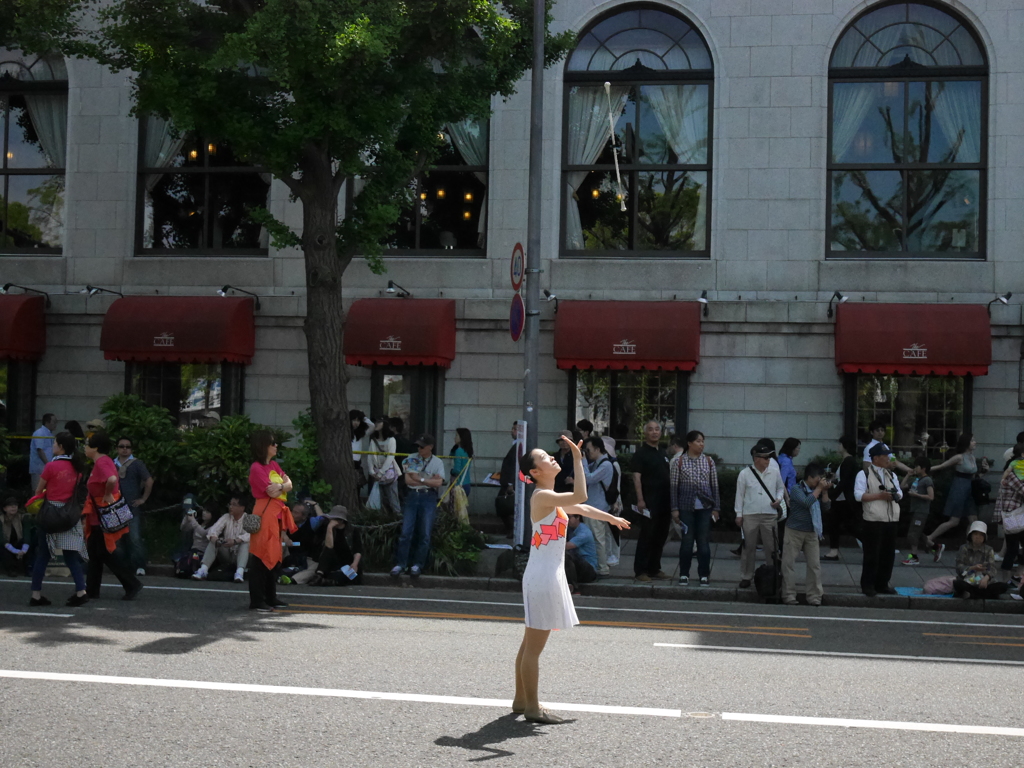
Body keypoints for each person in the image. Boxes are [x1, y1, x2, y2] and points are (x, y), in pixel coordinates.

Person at [513, 436, 630, 724]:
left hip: (544, 576)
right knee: (534, 647)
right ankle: (532, 707)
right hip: (543, 578)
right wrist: (578, 459)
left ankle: (520, 700)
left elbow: (582, 508)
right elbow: (581, 496)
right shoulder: (542, 496)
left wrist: (610, 518)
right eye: (545, 458)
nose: (552, 458)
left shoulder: (551, 498)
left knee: (529, 643)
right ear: (535, 472)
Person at [30, 432, 89, 607]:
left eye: (55, 443)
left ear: (61, 446)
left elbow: (38, 491)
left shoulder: (51, 467)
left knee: (43, 555)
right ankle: (81, 591)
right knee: (71, 555)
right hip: (70, 514)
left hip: (50, 513)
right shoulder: (77, 468)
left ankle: (36, 595)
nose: (53, 446)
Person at [82, 431, 143, 601]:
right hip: (98, 514)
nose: (85, 448)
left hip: (102, 515)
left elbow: (111, 479)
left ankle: (131, 583)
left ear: (95, 448)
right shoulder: (102, 461)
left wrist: (108, 494)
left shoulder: (102, 462)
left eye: (87, 445)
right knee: (96, 554)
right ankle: (93, 590)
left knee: (103, 553)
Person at [247, 430, 297, 612]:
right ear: (264, 446)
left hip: (275, 513)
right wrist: (283, 487)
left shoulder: (274, 465)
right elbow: (270, 491)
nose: (276, 446)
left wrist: (281, 487)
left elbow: (288, 485)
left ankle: (270, 596)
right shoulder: (256, 468)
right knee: (261, 555)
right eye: (272, 443)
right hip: (265, 512)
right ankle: (257, 600)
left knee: (274, 556)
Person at [670, 430, 720, 587]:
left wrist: (716, 508)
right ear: (689, 443)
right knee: (687, 541)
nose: (701, 444)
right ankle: (684, 574)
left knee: (703, 542)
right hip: (685, 507)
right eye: (698, 441)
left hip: (705, 507)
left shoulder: (709, 461)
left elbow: (714, 486)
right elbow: (673, 487)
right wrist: (674, 508)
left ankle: (704, 574)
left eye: (703, 441)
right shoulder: (679, 462)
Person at [391, 434, 445, 578]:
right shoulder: (411, 458)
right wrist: (429, 479)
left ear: (430, 447)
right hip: (413, 495)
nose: (419, 449)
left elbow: (439, 483)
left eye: (422, 446)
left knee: (425, 533)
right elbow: (409, 480)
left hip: (428, 497)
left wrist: (420, 479)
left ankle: (418, 564)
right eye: (418, 446)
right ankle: (401, 563)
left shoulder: (438, 462)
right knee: (406, 531)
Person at [734, 441, 785, 588]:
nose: (768, 461)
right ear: (756, 458)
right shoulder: (744, 474)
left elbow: (781, 488)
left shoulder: (774, 472)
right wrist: (739, 514)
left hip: (769, 514)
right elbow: (740, 495)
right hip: (750, 514)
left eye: (769, 458)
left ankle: (773, 574)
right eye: (765, 458)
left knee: (771, 547)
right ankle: (746, 576)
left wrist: (778, 499)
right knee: (748, 547)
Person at [855, 442, 903, 597]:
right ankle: (868, 584)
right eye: (885, 456)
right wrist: (880, 496)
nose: (888, 458)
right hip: (873, 519)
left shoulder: (891, 474)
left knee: (888, 555)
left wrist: (894, 495)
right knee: (872, 554)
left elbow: (900, 493)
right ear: (876, 458)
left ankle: (882, 584)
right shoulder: (864, 474)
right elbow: (858, 496)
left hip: (891, 519)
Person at [925, 434, 985, 558]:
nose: (975, 442)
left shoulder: (972, 457)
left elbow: (973, 476)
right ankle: (929, 537)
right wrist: (924, 471)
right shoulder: (959, 457)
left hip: (969, 490)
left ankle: (969, 548)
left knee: (973, 520)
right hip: (959, 489)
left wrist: (984, 472)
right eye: (972, 440)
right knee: (954, 521)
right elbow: (942, 466)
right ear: (966, 443)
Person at [781, 464, 829, 606]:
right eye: (818, 479)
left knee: (814, 565)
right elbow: (807, 502)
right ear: (809, 477)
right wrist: (819, 489)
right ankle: (789, 595)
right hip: (794, 531)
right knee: (788, 564)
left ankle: (814, 596)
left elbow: (826, 507)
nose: (819, 482)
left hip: (812, 532)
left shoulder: (817, 490)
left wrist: (825, 492)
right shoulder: (797, 489)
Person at [630, 420, 672, 583]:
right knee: (647, 535)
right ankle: (640, 570)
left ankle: (654, 568)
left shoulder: (663, 452)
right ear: (645, 433)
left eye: (657, 429)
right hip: (649, 501)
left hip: (665, 501)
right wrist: (640, 499)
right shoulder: (641, 454)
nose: (654, 432)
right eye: (650, 429)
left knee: (660, 536)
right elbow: (636, 477)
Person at [114, 436, 154, 577]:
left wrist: (143, 498)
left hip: (131, 507)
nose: (124, 449)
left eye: (127, 446)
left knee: (134, 538)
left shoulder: (137, 464)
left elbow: (149, 480)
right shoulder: (112, 464)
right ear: (117, 448)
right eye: (121, 446)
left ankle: (139, 565)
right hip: (115, 508)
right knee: (117, 539)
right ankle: (122, 565)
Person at [192, 496, 251, 582]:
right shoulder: (226, 517)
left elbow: (251, 535)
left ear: (242, 508)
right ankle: (203, 570)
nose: (231, 507)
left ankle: (239, 572)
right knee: (214, 541)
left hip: (242, 555)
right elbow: (213, 531)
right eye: (230, 504)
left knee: (245, 543)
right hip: (227, 553)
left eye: (234, 505)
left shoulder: (248, 519)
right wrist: (217, 540)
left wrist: (235, 541)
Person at [580, 436, 615, 577]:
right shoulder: (598, 463)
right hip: (594, 506)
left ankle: (602, 567)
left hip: (596, 507)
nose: (587, 453)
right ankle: (599, 565)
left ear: (597, 449)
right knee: (598, 537)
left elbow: (588, 478)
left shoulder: (605, 465)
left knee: (598, 538)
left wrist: (581, 460)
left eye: (589, 450)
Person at [823, 436, 860, 561]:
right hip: (842, 499)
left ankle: (872, 544)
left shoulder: (848, 461)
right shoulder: (847, 461)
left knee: (849, 526)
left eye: (840, 445)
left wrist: (831, 495)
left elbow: (845, 482)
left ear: (844, 446)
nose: (838, 447)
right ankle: (833, 551)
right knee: (835, 524)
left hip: (844, 499)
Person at [309, 506, 363, 586]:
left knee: (348, 576)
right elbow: (329, 546)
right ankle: (319, 574)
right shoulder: (326, 528)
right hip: (332, 561)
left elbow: (357, 549)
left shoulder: (352, 531)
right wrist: (330, 528)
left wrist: (355, 564)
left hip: (347, 562)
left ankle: (329, 582)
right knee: (328, 551)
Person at [954, 521, 1009, 599]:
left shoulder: (989, 549)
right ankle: (983, 595)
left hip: (984, 582)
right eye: (975, 534)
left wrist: (986, 578)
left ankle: (972, 595)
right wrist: (972, 568)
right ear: (971, 535)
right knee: (957, 583)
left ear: (984, 537)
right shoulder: (964, 548)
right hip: (968, 580)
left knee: (1003, 586)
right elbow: (959, 567)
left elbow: (992, 568)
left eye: (981, 535)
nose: (978, 537)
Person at [994, 444, 1024, 583]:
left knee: (1015, 547)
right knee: (1012, 548)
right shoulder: (1012, 475)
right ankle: (1006, 579)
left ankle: (1017, 576)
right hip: (1012, 515)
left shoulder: (1012, 471)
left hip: (1016, 515)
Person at [282, 499, 326, 584]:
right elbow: (281, 530)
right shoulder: (287, 520)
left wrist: (315, 504)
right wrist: (285, 537)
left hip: (306, 557)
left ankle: (293, 579)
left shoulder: (312, 523)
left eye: (296, 513)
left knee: (315, 569)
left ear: (304, 516)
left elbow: (322, 518)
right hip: (289, 555)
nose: (292, 514)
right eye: (292, 511)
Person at [900, 457, 934, 566]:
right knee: (917, 532)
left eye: (916, 466)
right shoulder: (916, 480)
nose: (915, 468)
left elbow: (931, 496)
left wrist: (916, 495)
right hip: (915, 510)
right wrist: (908, 475)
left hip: (921, 511)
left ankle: (914, 556)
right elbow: (902, 486)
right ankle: (935, 547)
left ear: (923, 468)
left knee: (913, 534)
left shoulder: (927, 480)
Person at [367, 420, 400, 514]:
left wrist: (381, 472)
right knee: (378, 498)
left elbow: (390, 457)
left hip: (389, 472)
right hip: (376, 472)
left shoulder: (391, 440)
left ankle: (396, 518)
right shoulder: (374, 440)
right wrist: (371, 471)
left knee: (393, 498)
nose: (376, 424)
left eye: (379, 422)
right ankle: (381, 518)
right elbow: (370, 456)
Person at [494, 422, 520, 538]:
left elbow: (514, 465)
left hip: (510, 482)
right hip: (507, 480)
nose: (512, 431)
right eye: (512, 429)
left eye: (515, 429)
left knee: (503, 505)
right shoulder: (516, 445)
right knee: (503, 505)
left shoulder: (518, 447)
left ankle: (512, 530)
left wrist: (510, 483)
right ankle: (511, 529)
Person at [564, 512, 598, 593]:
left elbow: (566, 546)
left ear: (578, 517)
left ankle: (574, 589)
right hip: (577, 568)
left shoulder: (584, 532)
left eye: (569, 517)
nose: (567, 520)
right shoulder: (570, 529)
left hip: (589, 570)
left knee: (566, 555)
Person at [2, 497, 33, 577]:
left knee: (29, 544)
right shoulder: (1, 519)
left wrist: (24, 549)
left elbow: (27, 533)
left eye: (15, 505)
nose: (13, 507)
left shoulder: (23, 517)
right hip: (6, 544)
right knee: (3, 549)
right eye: (10, 505)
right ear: (5, 509)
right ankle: (11, 569)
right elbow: (1, 538)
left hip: (19, 542)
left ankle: (28, 568)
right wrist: (14, 550)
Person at [29, 413, 57, 491]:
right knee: (37, 491)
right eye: (54, 422)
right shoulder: (40, 433)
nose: (55, 424)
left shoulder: (50, 434)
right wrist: (48, 464)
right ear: (47, 422)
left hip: (46, 468)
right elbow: (40, 450)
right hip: (39, 468)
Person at [450, 427, 474, 496]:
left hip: (459, 484)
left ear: (462, 438)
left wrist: (452, 471)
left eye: (457, 435)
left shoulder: (458, 451)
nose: (455, 438)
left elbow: (457, 470)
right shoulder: (467, 451)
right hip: (467, 483)